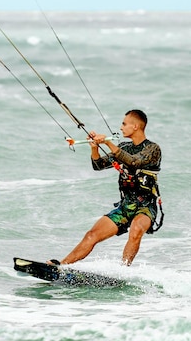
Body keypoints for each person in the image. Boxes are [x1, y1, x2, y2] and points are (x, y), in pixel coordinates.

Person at [56, 109, 162, 266]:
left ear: (135, 126)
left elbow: (134, 162)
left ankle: (123, 270)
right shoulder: (124, 146)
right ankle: (61, 266)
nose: (121, 127)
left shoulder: (153, 149)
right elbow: (98, 165)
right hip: (126, 206)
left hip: (146, 206)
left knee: (135, 231)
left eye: (124, 124)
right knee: (91, 235)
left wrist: (107, 142)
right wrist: (94, 148)